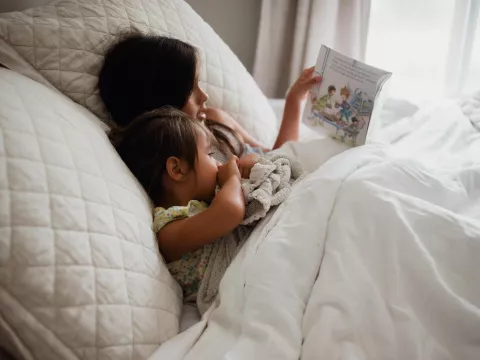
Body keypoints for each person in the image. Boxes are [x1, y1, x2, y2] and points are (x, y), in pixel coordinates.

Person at [98, 33, 321, 159]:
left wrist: (296, 99)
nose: (204, 96)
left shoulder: (216, 119)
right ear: (162, 99)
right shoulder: (178, 160)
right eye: (191, 89)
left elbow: (278, 158)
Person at [109, 107, 252, 301]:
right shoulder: (168, 229)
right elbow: (230, 211)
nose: (218, 163)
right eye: (210, 154)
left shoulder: (209, 198)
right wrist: (232, 179)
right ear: (177, 169)